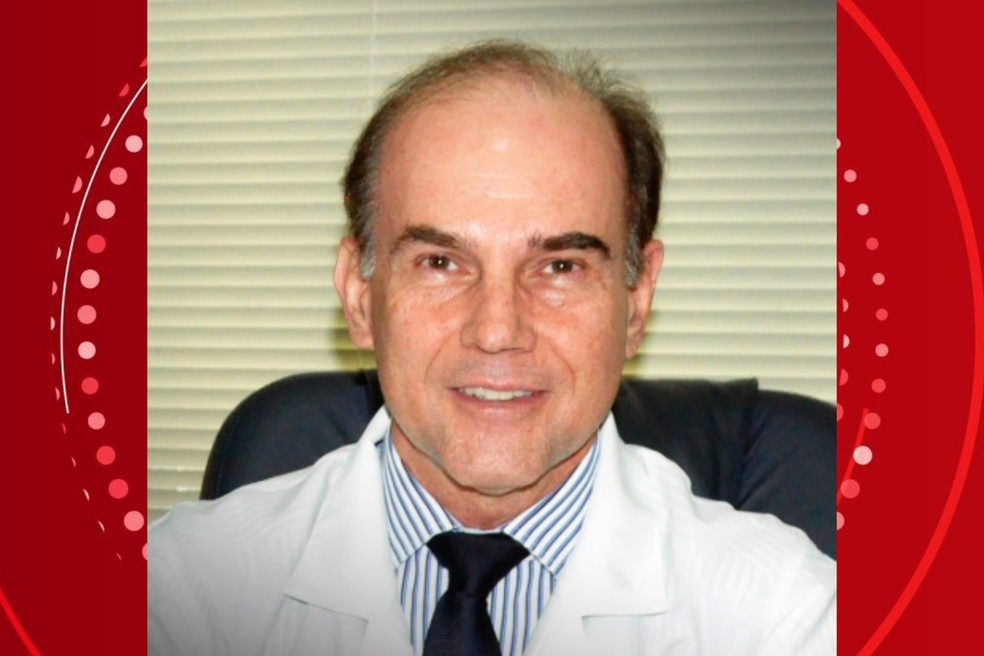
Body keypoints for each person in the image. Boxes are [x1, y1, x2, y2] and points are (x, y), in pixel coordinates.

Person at [148, 39, 835, 655]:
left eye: (560, 266)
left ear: (637, 300)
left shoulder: (789, 616)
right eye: (440, 263)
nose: (498, 330)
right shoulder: (179, 594)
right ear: (359, 295)